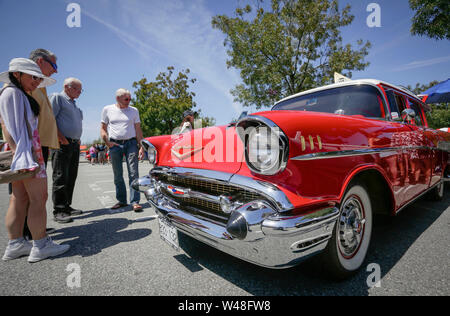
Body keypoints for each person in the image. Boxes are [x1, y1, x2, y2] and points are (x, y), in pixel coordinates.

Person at [0, 58, 70, 262]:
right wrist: (21, 153)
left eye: (38, 78)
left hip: (23, 152)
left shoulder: (15, 93)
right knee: (38, 198)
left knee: (19, 198)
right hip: (27, 152)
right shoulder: (13, 93)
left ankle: (16, 244)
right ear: (17, 74)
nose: (36, 82)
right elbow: (7, 126)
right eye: (33, 77)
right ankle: (40, 244)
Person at [100, 88, 144, 212]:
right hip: (115, 144)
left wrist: (141, 146)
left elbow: (138, 130)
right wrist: (107, 142)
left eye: (130, 99)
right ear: (117, 98)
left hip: (131, 143)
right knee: (117, 174)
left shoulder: (134, 111)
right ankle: (122, 201)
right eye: (126, 99)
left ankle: (135, 201)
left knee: (133, 173)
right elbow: (103, 128)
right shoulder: (107, 109)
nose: (129, 101)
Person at [50, 78, 84, 223]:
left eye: (81, 90)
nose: (80, 92)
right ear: (67, 87)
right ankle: (59, 210)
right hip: (62, 143)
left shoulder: (74, 105)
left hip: (74, 144)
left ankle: (66, 206)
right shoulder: (58, 98)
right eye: (77, 89)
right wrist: (61, 137)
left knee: (71, 176)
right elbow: (50, 119)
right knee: (60, 176)